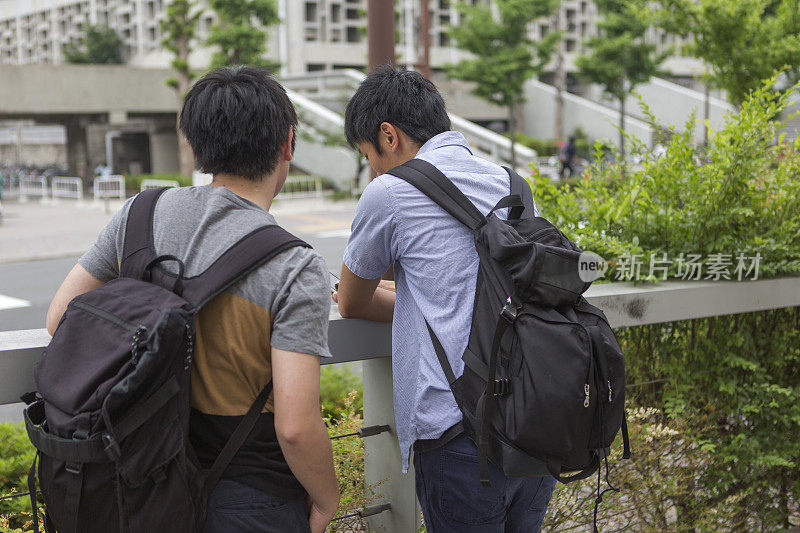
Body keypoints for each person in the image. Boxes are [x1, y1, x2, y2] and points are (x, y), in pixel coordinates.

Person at [45, 67, 339, 533]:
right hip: (250, 498)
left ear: (196, 149)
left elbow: (60, 317)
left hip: (142, 480)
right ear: (287, 144)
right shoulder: (295, 265)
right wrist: (326, 500)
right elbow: (295, 426)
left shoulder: (139, 215)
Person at [334, 66, 556, 532]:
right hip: (531, 431)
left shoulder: (390, 192)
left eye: (368, 156)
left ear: (388, 136)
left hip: (460, 445)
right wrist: (420, 297)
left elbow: (351, 301)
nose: (371, 168)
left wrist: (411, 301)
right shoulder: (513, 185)